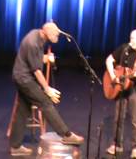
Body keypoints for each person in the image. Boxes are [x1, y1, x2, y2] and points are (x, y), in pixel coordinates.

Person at [9, 22, 84, 156]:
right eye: (55, 35)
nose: (56, 37)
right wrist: (47, 89)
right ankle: (66, 134)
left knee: (23, 110)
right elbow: (36, 70)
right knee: (45, 103)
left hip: (23, 76)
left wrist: (46, 58)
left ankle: (15, 146)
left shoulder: (38, 37)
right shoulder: (33, 42)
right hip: (24, 79)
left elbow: (34, 59)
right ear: (47, 33)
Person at [105, 29, 136, 158]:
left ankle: (135, 147)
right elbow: (109, 60)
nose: (133, 41)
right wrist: (112, 75)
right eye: (132, 38)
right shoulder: (124, 48)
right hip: (121, 87)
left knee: (135, 119)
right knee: (118, 117)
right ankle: (116, 144)